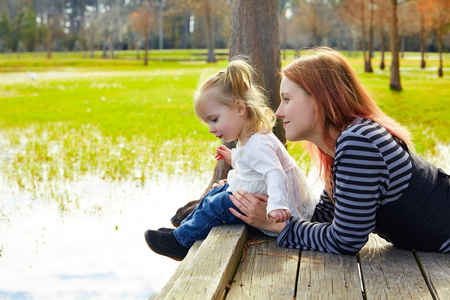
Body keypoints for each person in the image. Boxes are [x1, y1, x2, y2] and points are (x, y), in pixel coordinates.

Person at [228, 47, 450, 254]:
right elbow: (323, 217)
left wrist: (274, 225)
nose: (278, 112)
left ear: (319, 100)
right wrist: (249, 187)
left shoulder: (358, 143)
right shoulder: (347, 142)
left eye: (286, 99)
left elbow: (346, 239)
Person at [145, 59, 315, 260]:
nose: (211, 129)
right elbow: (254, 168)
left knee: (221, 203)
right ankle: (183, 231)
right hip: (266, 201)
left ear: (240, 109)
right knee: (216, 192)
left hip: (277, 214)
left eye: (214, 119)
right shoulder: (249, 137)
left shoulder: (259, 143)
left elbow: (274, 173)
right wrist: (233, 157)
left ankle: (181, 242)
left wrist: (277, 207)